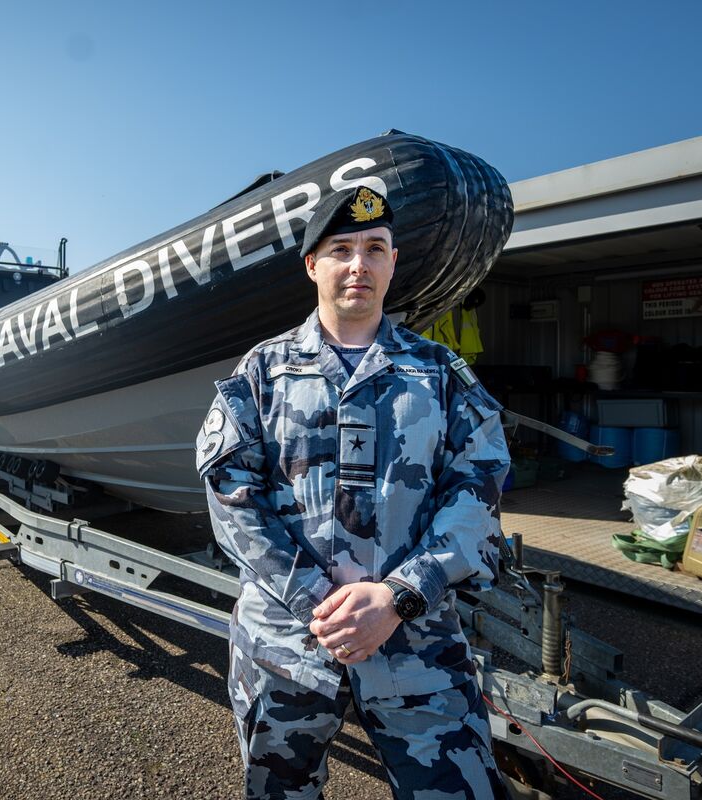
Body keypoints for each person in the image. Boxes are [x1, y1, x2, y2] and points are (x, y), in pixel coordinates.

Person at [196, 185, 511, 799]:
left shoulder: (441, 375)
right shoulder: (261, 372)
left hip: (417, 647)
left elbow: (480, 489)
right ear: (313, 265)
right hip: (286, 650)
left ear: (393, 262)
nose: (358, 264)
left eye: (375, 247)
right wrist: (322, 603)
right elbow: (232, 495)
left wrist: (398, 596)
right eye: (341, 249)